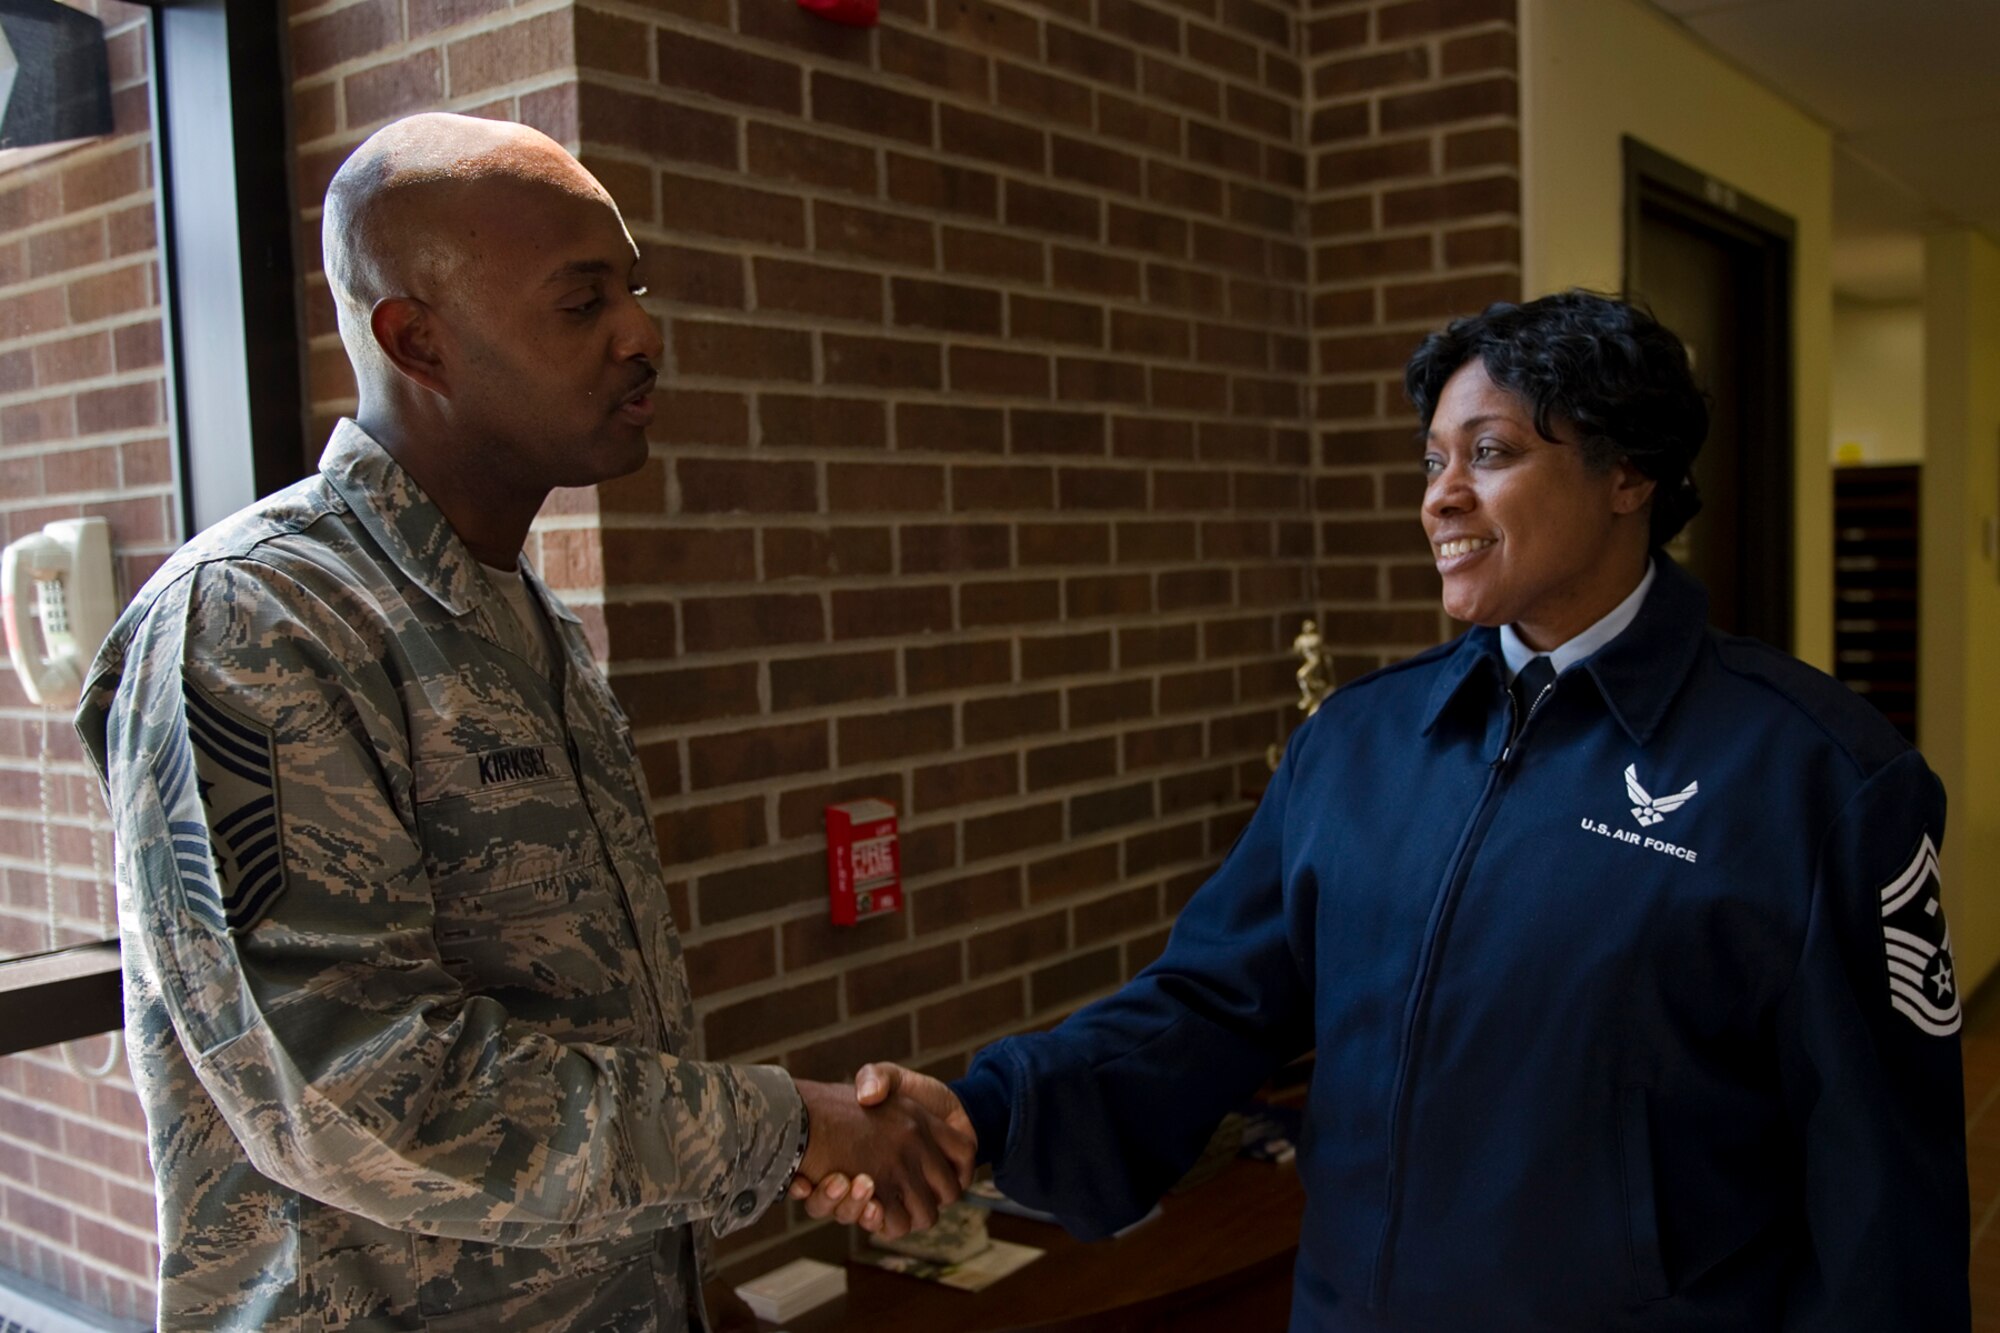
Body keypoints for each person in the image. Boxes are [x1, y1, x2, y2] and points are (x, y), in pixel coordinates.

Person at [807, 292, 1971, 1330]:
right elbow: (1206, 1006)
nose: (1440, 498)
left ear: (1629, 476)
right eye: (1430, 461)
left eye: (1490, 452)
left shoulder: (1816, 777)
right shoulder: (1357, 744)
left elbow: (1882, 1196)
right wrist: (982, 1110)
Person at [75, 113, 971, 1333]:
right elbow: (349, 1091)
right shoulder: (253, 625)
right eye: (581, 301)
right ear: (417, 339)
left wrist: (792, 1151)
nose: (642, 335)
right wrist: (790, 1123)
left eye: (635, 292)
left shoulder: (523, 622)